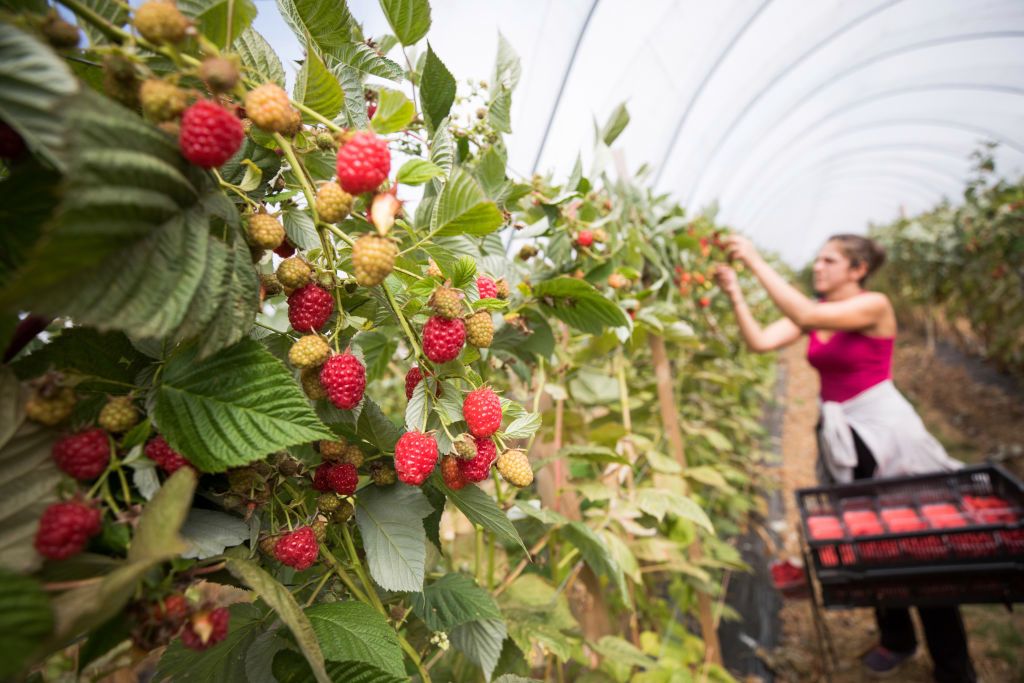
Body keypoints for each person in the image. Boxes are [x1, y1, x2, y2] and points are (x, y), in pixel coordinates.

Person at [714, 234, 976, 683]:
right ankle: (897, 638)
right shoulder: (818, 311)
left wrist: (755, 259)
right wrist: (736, 294)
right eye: (817, 259)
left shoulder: (872, 305)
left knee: (918, 542)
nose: (819, 267)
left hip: (886, 433)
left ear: (857, 270)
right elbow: (761, 341)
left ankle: (954, 665)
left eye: (829, 261)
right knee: (866, 536)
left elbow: (804, 314)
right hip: (845, 436)